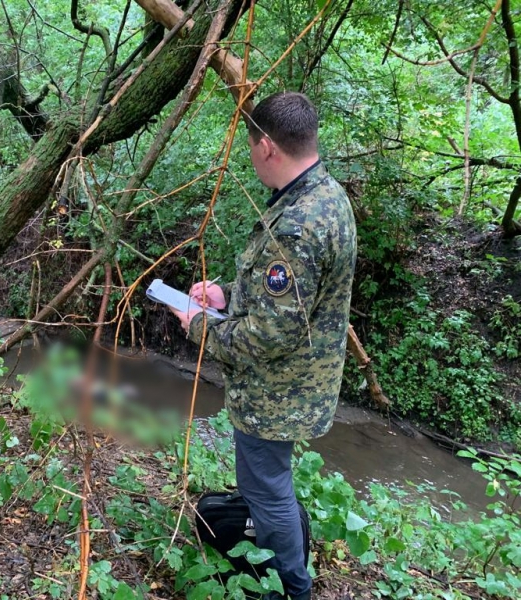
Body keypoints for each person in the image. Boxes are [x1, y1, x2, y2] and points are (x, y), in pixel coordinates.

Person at [169, 92, 357, 600]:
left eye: (251, 146)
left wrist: (197, 323)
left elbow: (269, 335)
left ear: (268, 146)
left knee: (266, 491)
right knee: (270, 486)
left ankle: (292, 589)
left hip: (277, 396)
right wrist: (227, 295)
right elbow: (296, 300)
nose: (251, 156)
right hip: (300, 385)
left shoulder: (296, 226)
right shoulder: (324, 196)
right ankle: (281, 561)